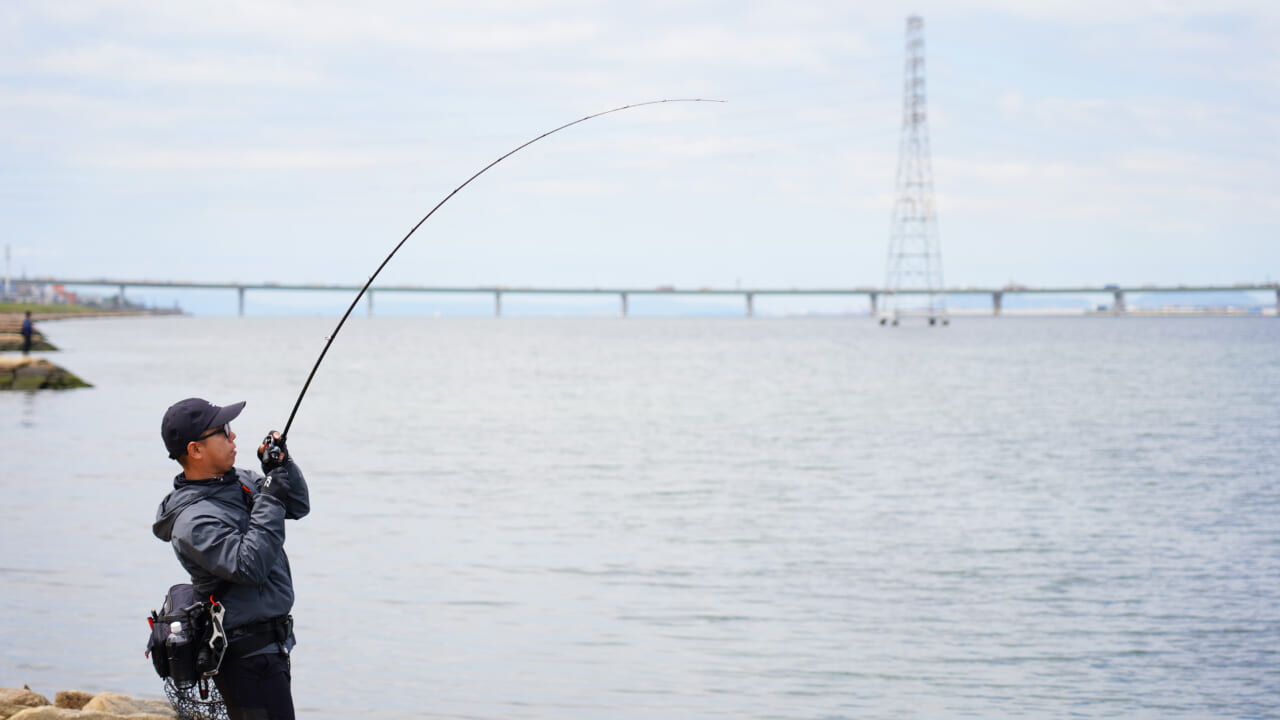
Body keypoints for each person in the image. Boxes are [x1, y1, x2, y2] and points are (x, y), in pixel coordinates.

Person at [153, 398, 310, 720]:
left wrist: (280, 468)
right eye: (223, 431)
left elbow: (296, 506)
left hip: (272, 646)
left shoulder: (240, 481)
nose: (233, 436)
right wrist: (269, 497)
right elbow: (248, 566)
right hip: (245, 657)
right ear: (196, 450)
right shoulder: (193, 521)